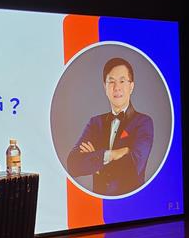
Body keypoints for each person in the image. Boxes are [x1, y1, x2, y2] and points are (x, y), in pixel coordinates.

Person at [66, 57, 154, 196]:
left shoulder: (143, 122)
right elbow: (73, 164)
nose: (117, 87)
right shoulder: (95, 123)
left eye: (122, 81)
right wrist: (111, 154)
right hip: (98, 201)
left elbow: (133, 167)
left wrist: (96, 162)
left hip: (132, 202)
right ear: (105, 87)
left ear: (131, 86)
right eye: (111, 81)